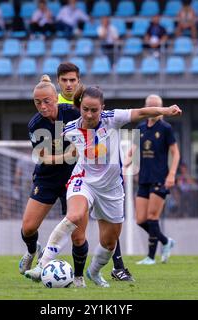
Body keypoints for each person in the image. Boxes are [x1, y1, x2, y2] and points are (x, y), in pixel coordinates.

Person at [24, 87, 182, 287]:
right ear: (80, 108)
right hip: (83, 181)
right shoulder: (70, 129)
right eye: (86, 109)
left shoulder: (113, 118)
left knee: (109, 242)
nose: (89, 115)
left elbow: (140, 112)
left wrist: (166, 110)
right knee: (74, 216)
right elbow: (48, 149)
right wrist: (47, 158)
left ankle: (94, 272)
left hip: (111, 189)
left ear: (102, 108)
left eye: (94, 110)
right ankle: (42, 265)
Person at [57, 62, 134, 281]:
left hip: (106, 180)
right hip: (79, 177)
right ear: (58, 81)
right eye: (65, 80)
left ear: (79, 81)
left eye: (73, 80)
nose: (69, 84)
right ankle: (52, 265)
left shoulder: (102, 114)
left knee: (109, 235)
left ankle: (109, 267)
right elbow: (55, 141)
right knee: (76, 229)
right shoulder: (57, 108)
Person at [18, 74, 89, 288]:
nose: (42, 106)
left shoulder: (73, 115)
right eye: (37, 102)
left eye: (46, 101)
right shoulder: (35, 124)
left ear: (56, 99)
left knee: (78, 237)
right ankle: (33, 250)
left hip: (76, 179)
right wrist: (67, 156)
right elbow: (43, 158)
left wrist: (70, 156)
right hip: (47, 178)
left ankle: (78, 278)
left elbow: (83, 147)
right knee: (28, 228)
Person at [124, 95, 180, 265]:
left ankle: (150, 257)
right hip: (144, 178)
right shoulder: (140, 127)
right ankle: (165, 241)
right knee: (140, 219)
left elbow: (175, 153)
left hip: (159, 178)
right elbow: (132, 150)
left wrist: (171, 175)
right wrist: (125, 163)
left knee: (152, 217)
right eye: (151, 106)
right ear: (147, 107)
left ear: (161, 108)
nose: (154, 110)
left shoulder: (165, 128)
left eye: (157, 106)